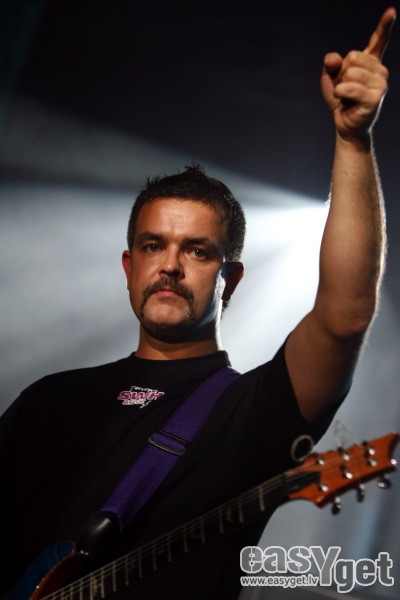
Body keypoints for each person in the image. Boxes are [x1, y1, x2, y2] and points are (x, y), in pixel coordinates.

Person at [0, 7, 395, 600]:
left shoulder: (253, 409)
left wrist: (353, 141)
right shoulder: (48, 402)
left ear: (230, 279)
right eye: (153, 245)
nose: (170, 264)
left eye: (197, 250)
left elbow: (345, 317)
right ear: (129, 269)